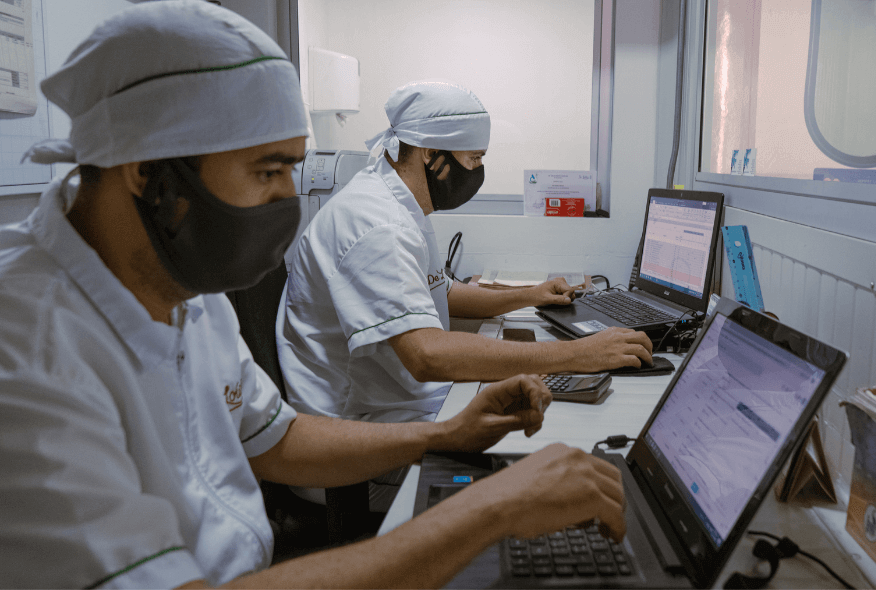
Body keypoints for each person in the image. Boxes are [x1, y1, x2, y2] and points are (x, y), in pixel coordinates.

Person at [0, 2, 626, 588]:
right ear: (149, 173)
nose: (287, 201)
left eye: (292, 170)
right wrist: (489, 511)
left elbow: (275, 438)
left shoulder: (186, 292)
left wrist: (445, 437)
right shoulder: (27, 352)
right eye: (267, 171)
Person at [277, 82, 653, 426]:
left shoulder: (398, 203)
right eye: (473, 159)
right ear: (431, 154)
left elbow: (442, 292)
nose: (478, 171)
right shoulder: (378, 226)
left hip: (398, 399)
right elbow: (427, 355)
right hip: (361, 428)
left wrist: (531, 294)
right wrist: (576, 355)